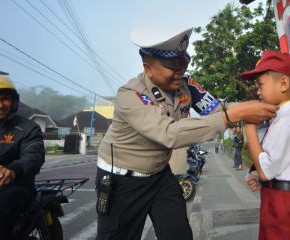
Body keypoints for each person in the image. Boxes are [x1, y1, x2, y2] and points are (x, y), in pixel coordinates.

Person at [95, 27, 278, 240]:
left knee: (179, 232)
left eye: (184, 62)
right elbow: (168, 133)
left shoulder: (186, 85)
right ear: (148, 68)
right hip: (122, 179)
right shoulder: (130, 95)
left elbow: (217, 109)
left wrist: (259, 106)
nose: (180, 71)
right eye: (172, 66)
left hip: (159, 175)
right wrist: (232, 116)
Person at [241, 50, 290, 240]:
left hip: (287, 206)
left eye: (260, 85)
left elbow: (267, 169)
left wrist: (249, 126)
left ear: (283, 84)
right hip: (279, 199)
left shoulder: (288, 120)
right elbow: (279, 167)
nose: (257, 91)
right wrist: (261, 179)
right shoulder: (282, 117)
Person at [0, 75, 45, 240]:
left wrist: (12, 170)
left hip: (15, 186)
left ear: (13, 101)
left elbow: (33, 155)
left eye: (5, 99)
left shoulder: (28, 128)